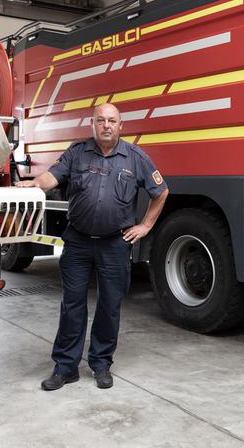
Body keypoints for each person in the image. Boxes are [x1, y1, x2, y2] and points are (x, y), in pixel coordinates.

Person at [16, 103, 169, 390]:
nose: (107, 125)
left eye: (112, 120)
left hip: (115, 244)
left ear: (121, 126)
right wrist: (35, 184)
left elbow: (161, 191)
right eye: (101, 120)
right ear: (93, 124)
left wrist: (145, 226)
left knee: (109, 306)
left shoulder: (135, 157)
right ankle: (65, 367)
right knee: (72, 304)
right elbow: (53, 176)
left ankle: (101, 364)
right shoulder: (77, 152)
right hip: (78, 243)